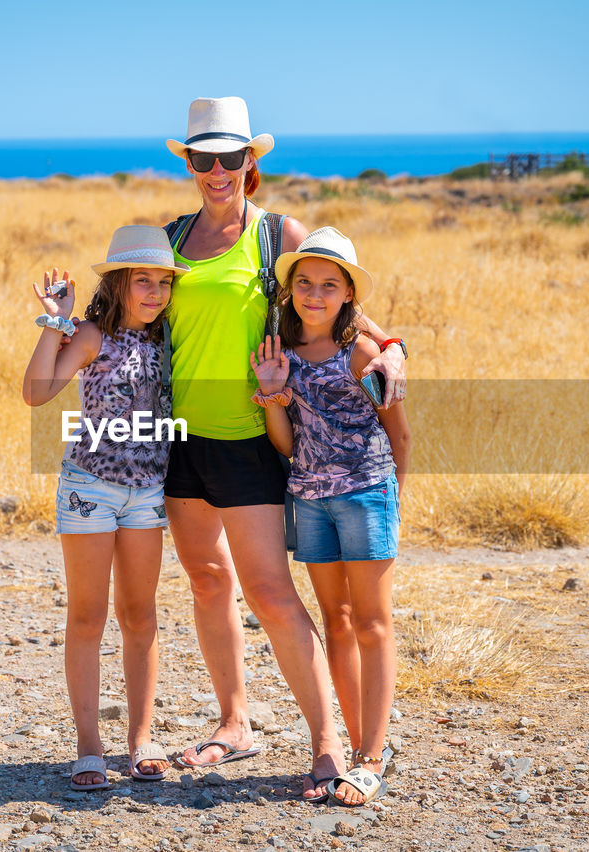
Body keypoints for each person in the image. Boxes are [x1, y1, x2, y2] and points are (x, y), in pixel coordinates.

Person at [161, 96, 409, 801]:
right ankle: (234, 722)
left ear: (251, 163)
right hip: (182, 439)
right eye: (202, 158)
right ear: (189, 164)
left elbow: (335, 302)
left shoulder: (277, 235)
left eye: (230, 158)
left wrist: (389, 347)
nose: (217, 170)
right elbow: (136, 314)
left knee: (270, 593)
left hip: (253, 437)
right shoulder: (171, 237)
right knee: (209, 582)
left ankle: (329, 745)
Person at [21, 225, 185, 791]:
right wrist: (55, 323)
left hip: (148, 492)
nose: (156, 292)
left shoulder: (171, 337)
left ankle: (142, 737)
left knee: (141, 615)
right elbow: (37, 392)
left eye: (164, 282)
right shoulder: (89, 335)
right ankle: (89, 745)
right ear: (118, 283)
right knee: (88, 616)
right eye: (143, 281)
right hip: (90, 488)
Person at [250, 227, 410, 806]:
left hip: (366, 494)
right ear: (290, 290)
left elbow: (400, 432)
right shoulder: (282, 354)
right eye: (304, 283)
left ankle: (371, 758)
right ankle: (359, 740)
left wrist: (394, 497)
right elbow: (288, 446)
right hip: (309, 499)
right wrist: (271, 396)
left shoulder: (362, 354)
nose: (314, 294)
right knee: (335, 621)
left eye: (329, 285)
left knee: (372, 622)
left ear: (347, 295)